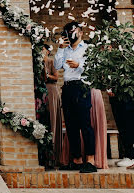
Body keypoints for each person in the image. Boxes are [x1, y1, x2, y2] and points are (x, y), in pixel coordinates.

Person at [54, 21, 97, 173]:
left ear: (80, 32)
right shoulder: (65, 50)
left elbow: (93, 67)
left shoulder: (87, 48)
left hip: (81, 87)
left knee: (85, 124)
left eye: (73, 31)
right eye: (68, 32)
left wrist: (78, 65)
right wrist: (60, 49)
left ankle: (91, 160)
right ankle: (77, 160)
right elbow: (57, 66)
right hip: (67, 88)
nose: (71, 34)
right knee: (71, 125)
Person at [41, 44, 62, 166]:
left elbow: (56, 77)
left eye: (43, 49)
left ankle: (53, 154)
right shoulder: (37, 63)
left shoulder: (51, 62)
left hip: (51, 91)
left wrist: (47, 75)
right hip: (41, 93)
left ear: (48, 51)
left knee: (52, 119)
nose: (41, 51)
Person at [108, 90, 134, 167]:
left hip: (132, 91)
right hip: (116, 94)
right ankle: (129, 154)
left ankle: (132, 156)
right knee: (121, 125)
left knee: (131, 124)